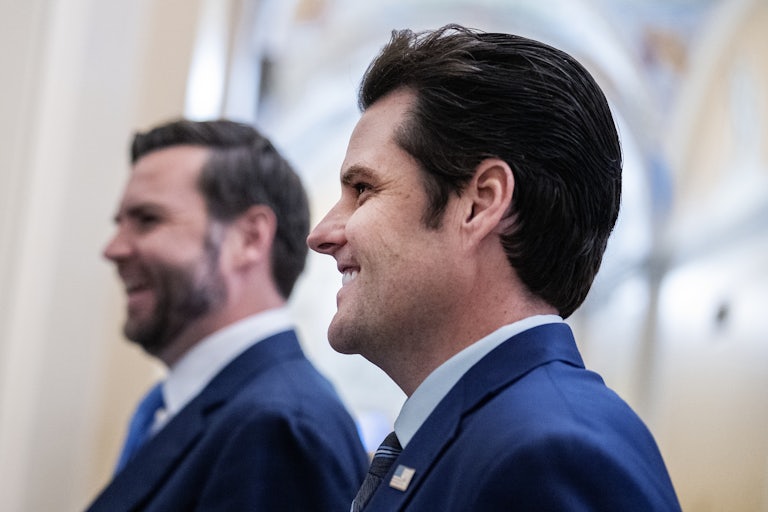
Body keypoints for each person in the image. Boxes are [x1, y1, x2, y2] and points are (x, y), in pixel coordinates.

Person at [307, 24, 681, 511]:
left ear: (480, 203)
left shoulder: (549, 454)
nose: (322, 234)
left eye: (363, 190)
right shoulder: (482, 431)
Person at [87, 119, 368, 511]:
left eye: (148, 219)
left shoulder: (278, 427)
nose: (114, 249)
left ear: (249, 238)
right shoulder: (178, 404)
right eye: (120, 224)